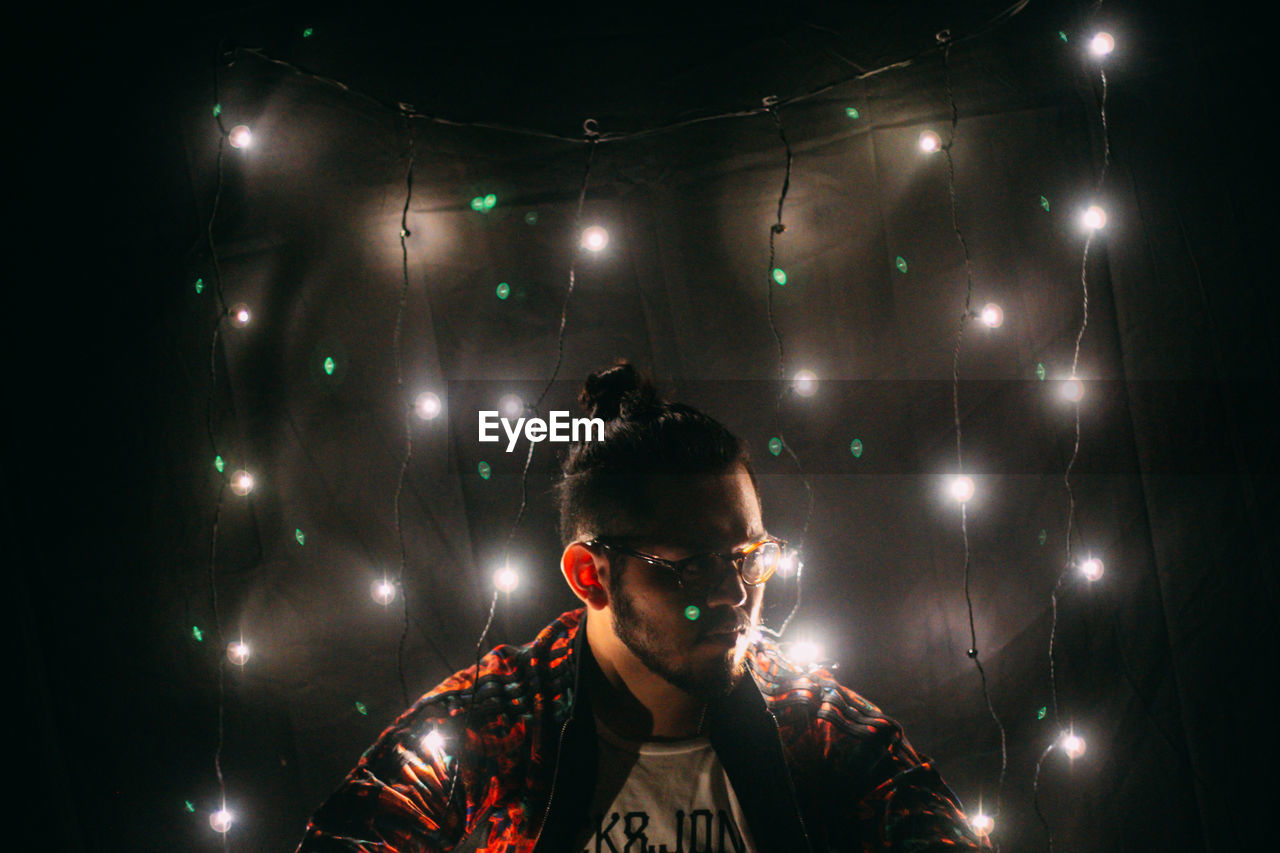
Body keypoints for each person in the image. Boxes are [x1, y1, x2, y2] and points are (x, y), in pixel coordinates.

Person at [296, 360, 990, 853]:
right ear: (590, 575)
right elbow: (357, 830)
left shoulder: (812, 720)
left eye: (749, 558)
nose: (735, 595)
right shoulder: (503, 716)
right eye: (689, 567)